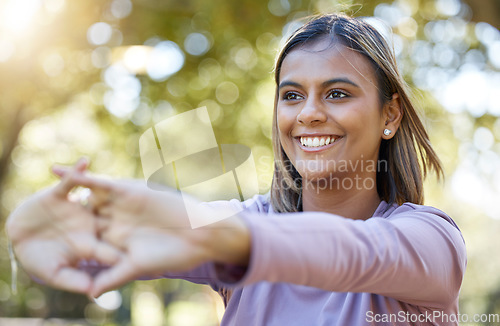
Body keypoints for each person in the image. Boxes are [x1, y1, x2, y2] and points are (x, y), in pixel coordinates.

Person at [6, 13, 466, 325]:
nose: (307, 114)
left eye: (337, 93)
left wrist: (223, 239)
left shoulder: (431, 241)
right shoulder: (241, 224)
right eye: (291, 95)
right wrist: (40, 228)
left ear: (390, 115)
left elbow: (358, 253)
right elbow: (91, 246)